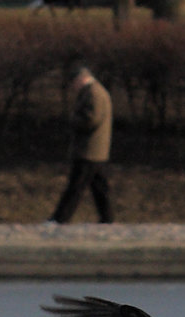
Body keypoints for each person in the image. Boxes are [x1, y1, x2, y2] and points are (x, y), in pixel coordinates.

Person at [49, 64, 113, 224]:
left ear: (81, 78)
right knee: (99, 189)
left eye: (74, 82)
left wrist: (73, 120)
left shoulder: (93, 93)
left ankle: (59, 219)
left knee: (76, 187)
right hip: (96, 150)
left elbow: (91, 119)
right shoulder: (96, 91)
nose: (73, 86)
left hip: (89, 150)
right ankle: (107, 219)